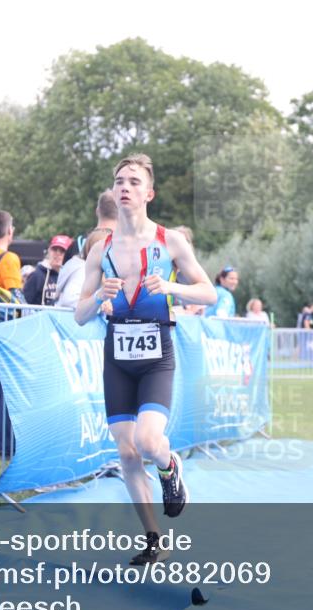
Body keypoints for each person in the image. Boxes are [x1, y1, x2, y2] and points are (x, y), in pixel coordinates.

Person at [76, 154, 216, 565]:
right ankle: (154, 539)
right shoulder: (100, 249)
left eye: (134, 182)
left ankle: (171, 468)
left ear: (149, 193)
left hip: (156, 353)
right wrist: (99, 296)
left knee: (148, 442)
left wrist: (173, 290)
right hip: (117, 354)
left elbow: (207, 292)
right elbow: (79, 315)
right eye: (119, 181)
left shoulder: (170, 241)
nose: (125, 187)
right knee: (127, 453)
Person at [54, 228, 110, 309]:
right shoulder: (82, 269)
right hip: (70, 319)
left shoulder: (90, 267)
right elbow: (70, 299)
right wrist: (101, 305)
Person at [24, 235, 71, 305]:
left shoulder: (69, 277)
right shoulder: (36, 275)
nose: (58, 254)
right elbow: (24, 302)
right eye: (55, 250)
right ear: (49, 251)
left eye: (62, 251)